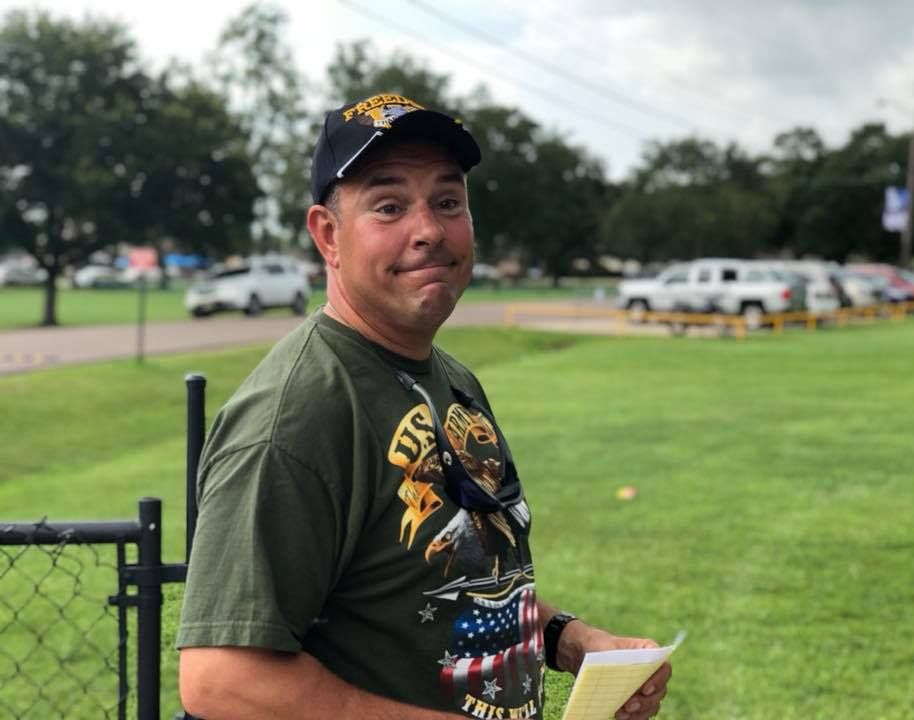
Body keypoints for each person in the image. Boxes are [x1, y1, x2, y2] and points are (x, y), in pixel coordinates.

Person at [177, 92, 672, 720]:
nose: (430, 230)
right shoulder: (296, 416)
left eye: (448, 202)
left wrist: (572, 642)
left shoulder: (450, 378)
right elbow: (222, 680)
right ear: (327, 235)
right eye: (389, 206)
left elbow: (450, 584)